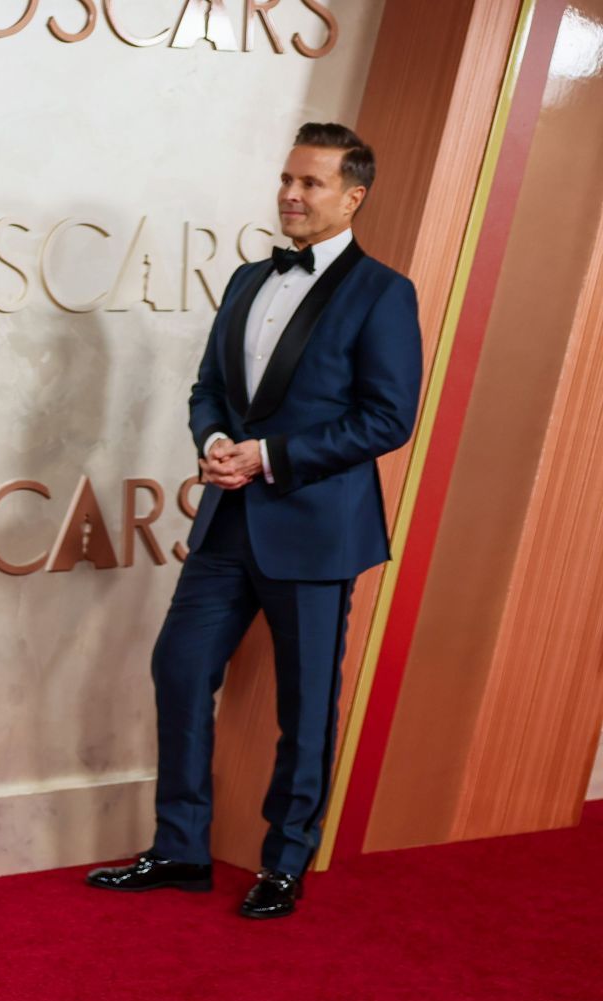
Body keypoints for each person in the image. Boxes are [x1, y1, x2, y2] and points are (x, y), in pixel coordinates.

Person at [86, 122, 423, 920]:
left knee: (304, 704)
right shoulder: (246, 279)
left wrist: (267, 455)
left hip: (315, 527)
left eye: (310, 184)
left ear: (353, 195)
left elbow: (387, 419)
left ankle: (285, 862)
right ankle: (179, 850)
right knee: (178, 669)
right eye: (286, 179)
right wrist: (213, 440)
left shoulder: (384, 293)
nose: (291, 195)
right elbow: (209, 387)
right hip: (227, 522)